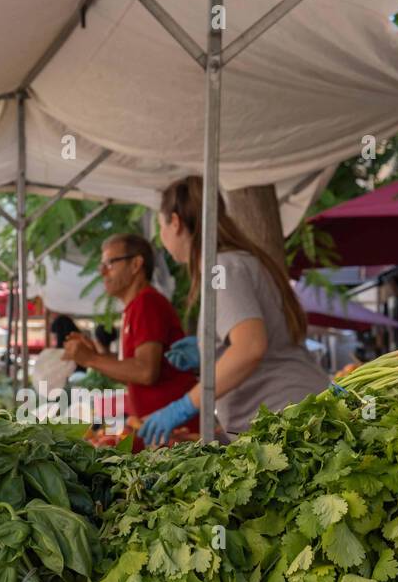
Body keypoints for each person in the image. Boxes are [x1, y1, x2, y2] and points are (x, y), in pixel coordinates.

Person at [135, 176, 328, 443]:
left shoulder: (221, 267)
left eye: (161, 226)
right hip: (289, 416)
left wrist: (185, 405)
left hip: (288, 418)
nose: (162, 238)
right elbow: (255, 340)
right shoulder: (234, 262)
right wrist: (210, 351)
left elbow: (250, 347)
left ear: (176, 222)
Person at [61, 234, 197, 430]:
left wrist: (91, 359)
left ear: (136, 264)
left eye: (109, 263)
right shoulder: (135, 307)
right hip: (158, 428)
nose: (102, 271)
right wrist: (98, 357)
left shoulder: (147, 303)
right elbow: (132, 372)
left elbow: (146, 372)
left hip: (176, 431)